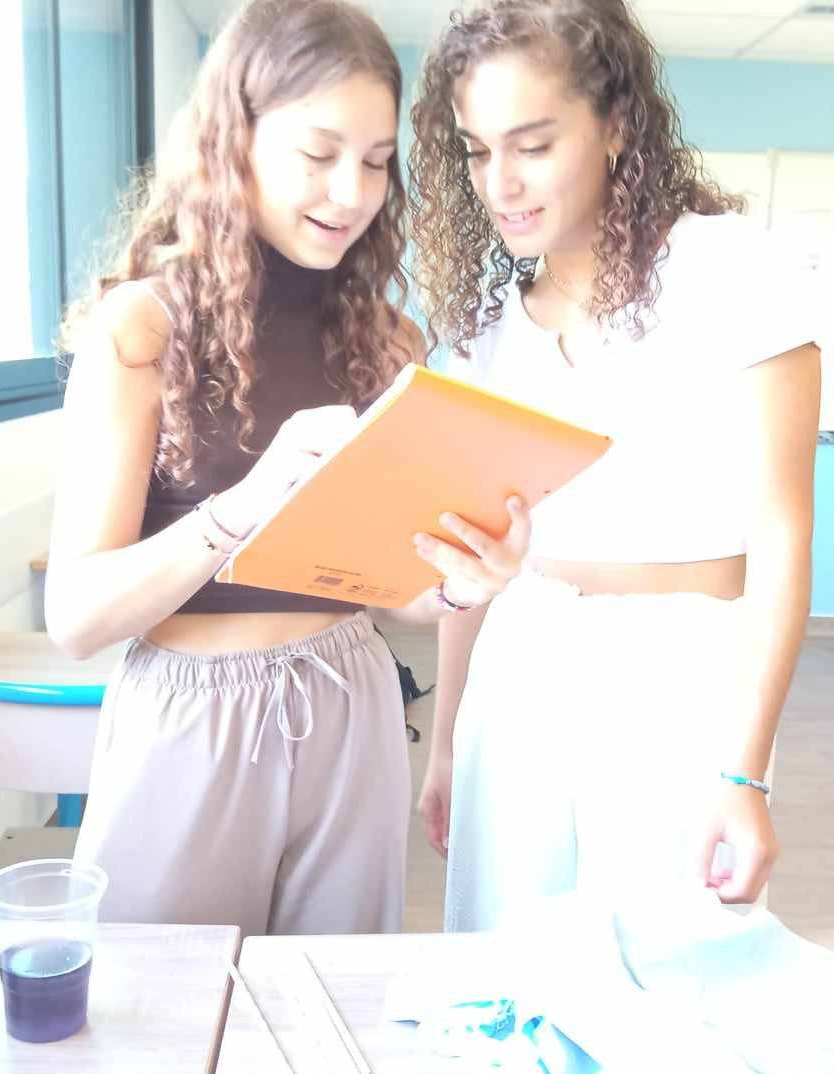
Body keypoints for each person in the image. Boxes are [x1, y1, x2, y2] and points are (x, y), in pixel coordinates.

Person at [46, 0, 530, 936]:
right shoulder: (142, 329)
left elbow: (398, 594)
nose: (352, 193)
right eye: (319, 154)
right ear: (236, 140)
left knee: (337, 1001)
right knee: (165, 1003)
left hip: (353, 699)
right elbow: (76, 617)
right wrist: (243, 508)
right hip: (192, 718)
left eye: (377, 162)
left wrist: (466, 581)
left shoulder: (388, 340)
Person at [407, 0, 820, 928]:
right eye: (476, 151)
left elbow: (784, 535)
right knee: (506, 966)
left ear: (617, 125)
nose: (501, 183)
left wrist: (746, 773)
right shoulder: (485, 330)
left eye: (533, 145)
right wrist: (448, 740)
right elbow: (472, 557)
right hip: (522, 667)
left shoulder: (737, 270)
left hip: (681, 672)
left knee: (675, 967)